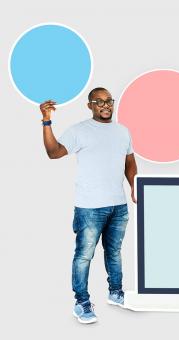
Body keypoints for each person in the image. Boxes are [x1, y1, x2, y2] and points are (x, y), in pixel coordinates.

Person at [39, 87, 137, 324]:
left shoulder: (123, 132)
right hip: (89, 208)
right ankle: (81, 303)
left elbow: (130, 162)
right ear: (90, 105)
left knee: (114, 252)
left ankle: (116, 293)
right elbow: (54, 153)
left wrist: (135, 186)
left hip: (118, 206)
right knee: (84, 256)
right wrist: (46, 121)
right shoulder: (79, 131)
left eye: (109, 101)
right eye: (99, 101)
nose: (105, 105)